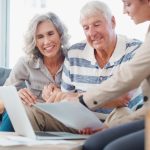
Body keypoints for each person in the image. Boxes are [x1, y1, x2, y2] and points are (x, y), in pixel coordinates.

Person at [26, 0, 143, 133]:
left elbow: (124, 99)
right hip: (79, 123)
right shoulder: (75, 53)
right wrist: (57, 96)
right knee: (33, 111)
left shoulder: (135, 50)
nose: (92, 33)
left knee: (124, 113)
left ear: (113, 22)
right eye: (86, 28)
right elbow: (65, 100)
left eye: (97, 25)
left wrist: (72, 97)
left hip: (116, 120)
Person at [81, 0, 150, 149]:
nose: (124, 11)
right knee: (93, 144)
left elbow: (129, 75)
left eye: (128, 3)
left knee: (113, 148)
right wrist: (113, 126)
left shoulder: (136, 47)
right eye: (86, 27)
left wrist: (82, 100)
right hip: (147, 116)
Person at [0, 11, 69, 131]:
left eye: (50, 33)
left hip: (64, 121)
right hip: (35, 121)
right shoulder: (26, 63)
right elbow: (2, 101)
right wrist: (15, 98)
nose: (46, 41)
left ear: (60, 34)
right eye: (40, 37)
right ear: (34, 42)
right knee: (15, 110)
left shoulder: (73, 60)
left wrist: (61, 95)